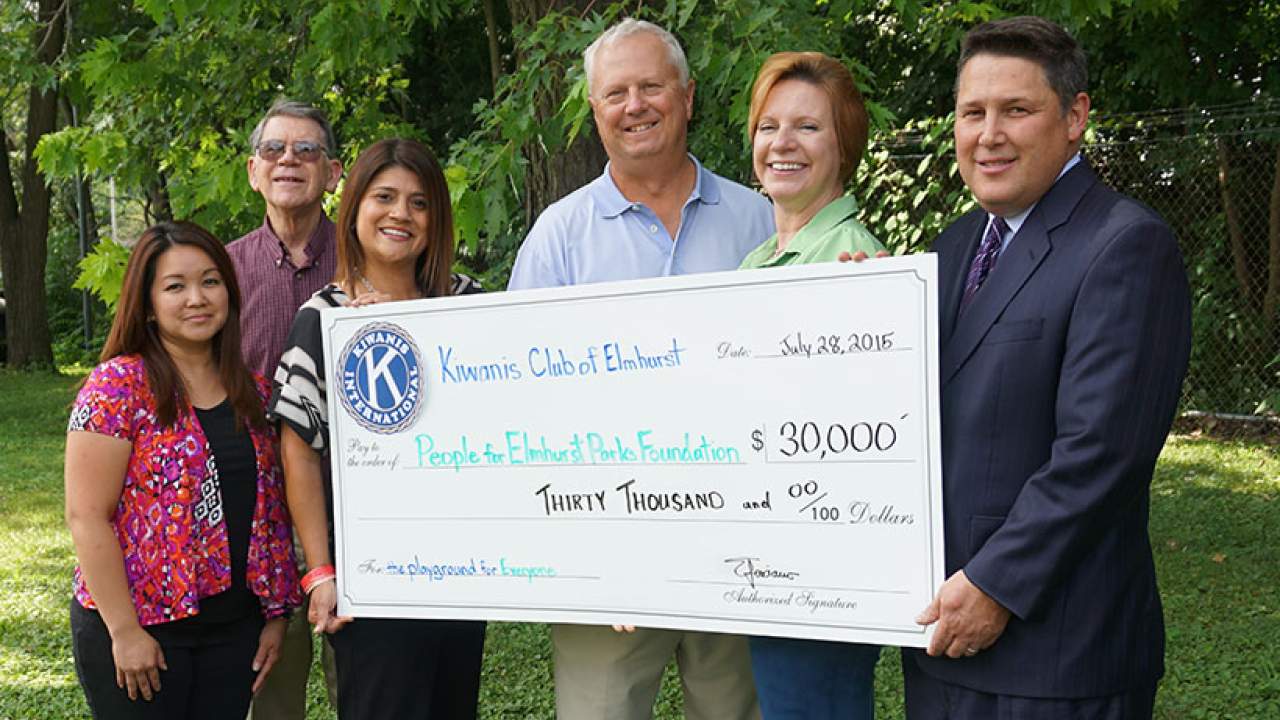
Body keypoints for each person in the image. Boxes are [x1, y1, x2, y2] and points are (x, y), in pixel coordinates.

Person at [903, 17, 1191, 718]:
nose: (988, 135)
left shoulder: (1124, 246)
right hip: (944, 645)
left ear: (1075, 117)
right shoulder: (952, 246)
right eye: (972, 113)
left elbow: (1100, 453)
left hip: (1058, 657)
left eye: (1016, 110)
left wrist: (996, 585)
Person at [508, 17, 772, 720]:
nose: (635, 105)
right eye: (615, 93)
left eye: (651, 86)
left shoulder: (762, 222)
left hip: (740, 538)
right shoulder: (557, 238)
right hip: (608, 550)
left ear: (687, 96)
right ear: (594, 113)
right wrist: (586, 550)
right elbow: (520, 402)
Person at [268, 138, 485, 719]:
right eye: (384, 197)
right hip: (374, 580)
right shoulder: (325, 320)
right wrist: (320, 573)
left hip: (464, 571)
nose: (400, 214)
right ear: (355, 208)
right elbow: (299, 453)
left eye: (419, 203)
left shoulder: (471, 306)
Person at [65, 221, 301, 719]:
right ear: (148, 304)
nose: (197, 297)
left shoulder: (255, 395)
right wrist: (125, 632)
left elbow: (272, 519)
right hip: (143, 632)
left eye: (211, 281)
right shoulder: (117, 388)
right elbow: (86, 516)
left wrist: (276, 618)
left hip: (235, 635)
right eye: (175, 286)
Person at [737, 51, 886, 719]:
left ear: (843, 145)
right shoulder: (754, 262)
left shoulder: (859, 263)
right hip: (765, 559)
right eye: (769, 127)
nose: (782, 144)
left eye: (807, 127)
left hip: (822, 575)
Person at [227, 98, 343, 720]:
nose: (289, 161)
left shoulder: (370, 259)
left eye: (306, 150)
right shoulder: (220, 273)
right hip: (254, 522)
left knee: (365, 688)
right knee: (268, 700)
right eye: (274, 149)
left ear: (332, 171)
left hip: (353, 514)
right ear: (254, 170)